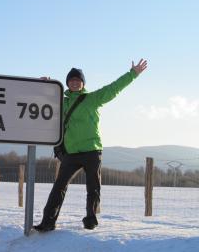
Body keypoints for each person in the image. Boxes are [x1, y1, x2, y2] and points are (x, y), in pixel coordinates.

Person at [34, 59, 148, 232]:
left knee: (93, 187)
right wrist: (48, 85)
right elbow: (46, 101)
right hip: (71, 153)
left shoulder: (92, 99)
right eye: (71, 80)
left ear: (83, 83)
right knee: (58, 187)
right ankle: (48, 222)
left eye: (78, 80)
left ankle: (90, 220)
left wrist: (132, 74)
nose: (74, 83)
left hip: (92, 150)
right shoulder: (61, 102)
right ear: (67, 83)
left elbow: (113, 88)